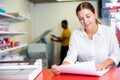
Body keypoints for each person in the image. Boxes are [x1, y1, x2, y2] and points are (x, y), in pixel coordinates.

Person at [51, 2, 120, 74]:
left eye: (88, 16)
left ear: (95, 14)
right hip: (85, 75)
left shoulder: (108, 32)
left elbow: (116, 55)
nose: (85, 21)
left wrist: (103, 64)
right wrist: (60, 68)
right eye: (81, 19)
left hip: (107, 73)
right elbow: (70, 57)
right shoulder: (75, 34)